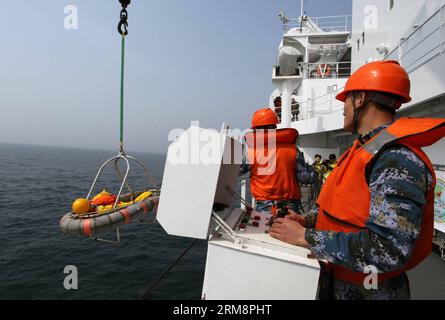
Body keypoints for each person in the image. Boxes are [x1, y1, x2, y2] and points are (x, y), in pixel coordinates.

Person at [270, 60, 445, 299]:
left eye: (346, 100)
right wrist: (307, 220)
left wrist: (305, 237)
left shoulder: (396, 160)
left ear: (360, 99)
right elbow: (348, 211)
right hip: (340, 281)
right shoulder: (364, 151)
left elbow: (389, 249)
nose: (343, 108)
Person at [241, 108, 302, 213]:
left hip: (265, 205)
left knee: (264, 228)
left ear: (255, 129)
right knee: (291, 228)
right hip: (290, 205)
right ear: (274, 126)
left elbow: (238, 171)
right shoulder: (293, 149)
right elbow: (305, 177)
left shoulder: (251, 153)